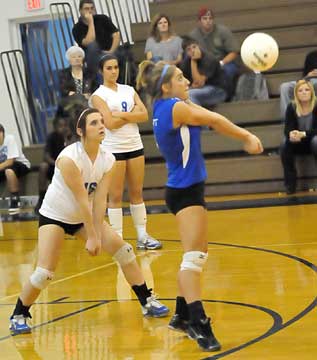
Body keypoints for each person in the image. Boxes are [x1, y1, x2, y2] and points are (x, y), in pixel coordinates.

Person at [137, 61, 263, 351]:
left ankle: (181, 315)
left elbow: (205, 115)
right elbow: (215, 121)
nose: (187, 81)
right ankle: (197, 321)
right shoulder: (174, 108)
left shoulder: (165, 107)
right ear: (166, 87)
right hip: (184, 192)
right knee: (193, 259)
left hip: (186, 188)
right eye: (180, 78)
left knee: (197, 256)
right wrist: (247, 136)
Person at [9, 108, 169, 335]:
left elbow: (100, 199)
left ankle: (147, 301)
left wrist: (97, 232)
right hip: (55, 216)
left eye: (102, 121)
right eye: (94, 123)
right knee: (44, 272)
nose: (101, 126)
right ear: (80, 130)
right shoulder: (68, 158)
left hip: (82, 217)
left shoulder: (108, 159)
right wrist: (93, 236)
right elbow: (82, 200)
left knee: (125, 251)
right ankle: (18, 315)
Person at [90, 54, 162, 250]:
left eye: (116, 67)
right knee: (115, 196)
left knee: (137, 193)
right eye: (109, 68)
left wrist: (121, 114)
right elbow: (110, 124)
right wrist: (132, 115)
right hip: (113, 150)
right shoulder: (98, 95)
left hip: (134, 145)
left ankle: (142, 235)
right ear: (101, 71)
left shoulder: (128, 90)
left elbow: (145, 115)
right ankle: (118, 239)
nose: (114, 71)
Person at [189, 7, 240, 96]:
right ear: (199, 21)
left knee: (228, 70)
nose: (208, 21)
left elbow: (234, 52)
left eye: (210, 18)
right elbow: (189, 54)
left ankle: (227, 95)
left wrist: (222, 62)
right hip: (204, 65)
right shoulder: (193, 36)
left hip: (222, 62)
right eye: (205, 19)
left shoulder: (223, 31)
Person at [280, 79, 317, 194]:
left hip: (312, 140)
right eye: (300, 91)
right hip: (298, 142)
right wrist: (291, 134)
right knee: (284, 144)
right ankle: (290, 185)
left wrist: (304, 134)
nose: (304, 92)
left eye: (307, 90)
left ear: (311, 92)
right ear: (296, 94)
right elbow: (287, 128)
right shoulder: (292, 107)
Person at [34, 116, 72, 213]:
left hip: (69, 167)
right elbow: (46, 156)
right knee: (43, 166)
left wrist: (66, 139)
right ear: (55, 127)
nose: (63, 128)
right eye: (60, 126)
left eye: (65, 125)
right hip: (54, 165)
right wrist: (57, 164)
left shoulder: (71, 137)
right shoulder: (51, 137)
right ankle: (41, 198)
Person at [72, 0, 120, 74]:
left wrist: (111, 51)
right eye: (86, 9)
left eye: (92, 8)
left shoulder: (103, 18)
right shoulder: (77, 28)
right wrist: (91, 22)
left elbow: (116, 35)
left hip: (109, 52)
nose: (90, 11)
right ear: (80, 10)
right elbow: (89, 42)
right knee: (92, 45)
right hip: (92, 57)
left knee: (122, 54)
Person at [180, 35, 227, 107]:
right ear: (186, 53)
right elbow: (187, 83)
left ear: (199, 46)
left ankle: (198, 117)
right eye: (189, 49)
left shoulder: (209, 59)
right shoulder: (185, 62)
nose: (192, 50)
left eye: (194, 47)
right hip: (199, 90)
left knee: (189, 95)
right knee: (178, 95)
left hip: (217, 91)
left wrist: (193, 61)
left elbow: (199, 83)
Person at [0, 124, 31, 213]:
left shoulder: (10, 139)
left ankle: (15, 199)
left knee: (9, 170)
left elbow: (10, 161)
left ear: (2, 133)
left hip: (20, 164)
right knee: (6, 170)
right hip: (3, 167)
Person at [280, 50, 317, 117]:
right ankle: (287, 119)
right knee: (285, 87)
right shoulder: (311, 55)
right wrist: (307, 76)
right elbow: (305, 73)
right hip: (307, 80)